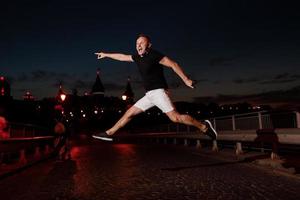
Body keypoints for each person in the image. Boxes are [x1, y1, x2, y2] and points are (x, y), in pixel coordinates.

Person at [93, 34, 217, 141]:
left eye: (142, 43)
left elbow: (173, 64)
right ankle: (108, 133)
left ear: (149, 45)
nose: (139, 45)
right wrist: (106, 54)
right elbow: (122, 56)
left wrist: (186, 80)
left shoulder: (154, 55)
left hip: (159, 92)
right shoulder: (137, 57)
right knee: (129, 113)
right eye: (137, 43)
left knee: (176, 118)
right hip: (149, 95)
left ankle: (203, 126)